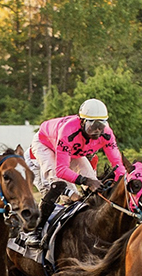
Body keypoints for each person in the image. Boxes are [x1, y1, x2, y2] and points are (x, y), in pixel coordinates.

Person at [18, 98, 126, 248]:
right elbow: (61, 170)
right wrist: (86, 181)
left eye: (101, 125)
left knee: (93, 184)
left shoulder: (107, 134)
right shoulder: (68, 131)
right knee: (59, 185)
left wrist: (125, 182)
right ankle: (33, 231)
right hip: (45, 146)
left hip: (72, 151)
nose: (97, 130)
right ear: (82, 122)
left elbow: (118, 165)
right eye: (92, 126)